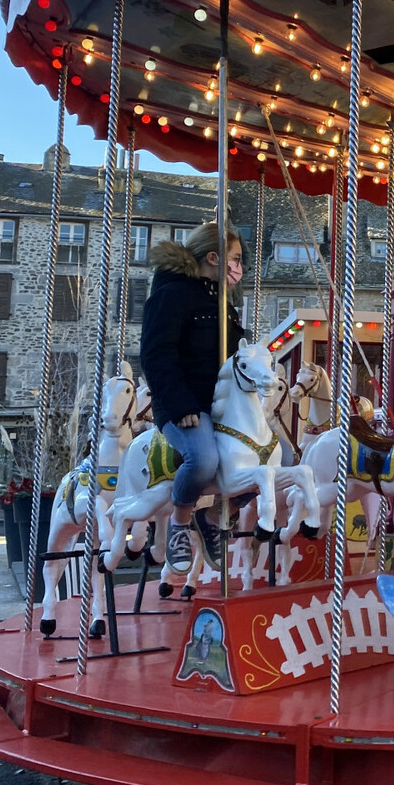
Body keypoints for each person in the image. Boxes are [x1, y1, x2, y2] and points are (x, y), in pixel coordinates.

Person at [141, 222, 245, 575]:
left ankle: (213, 515)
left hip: (222, 404)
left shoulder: (223, 302)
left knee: (279, 458)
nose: (238, 266)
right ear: (214, 258)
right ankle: (180, 522)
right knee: (202, 459)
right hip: (185, 404)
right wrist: (180, 405)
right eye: (235, 258)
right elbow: (156, 355)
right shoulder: (171, 296)